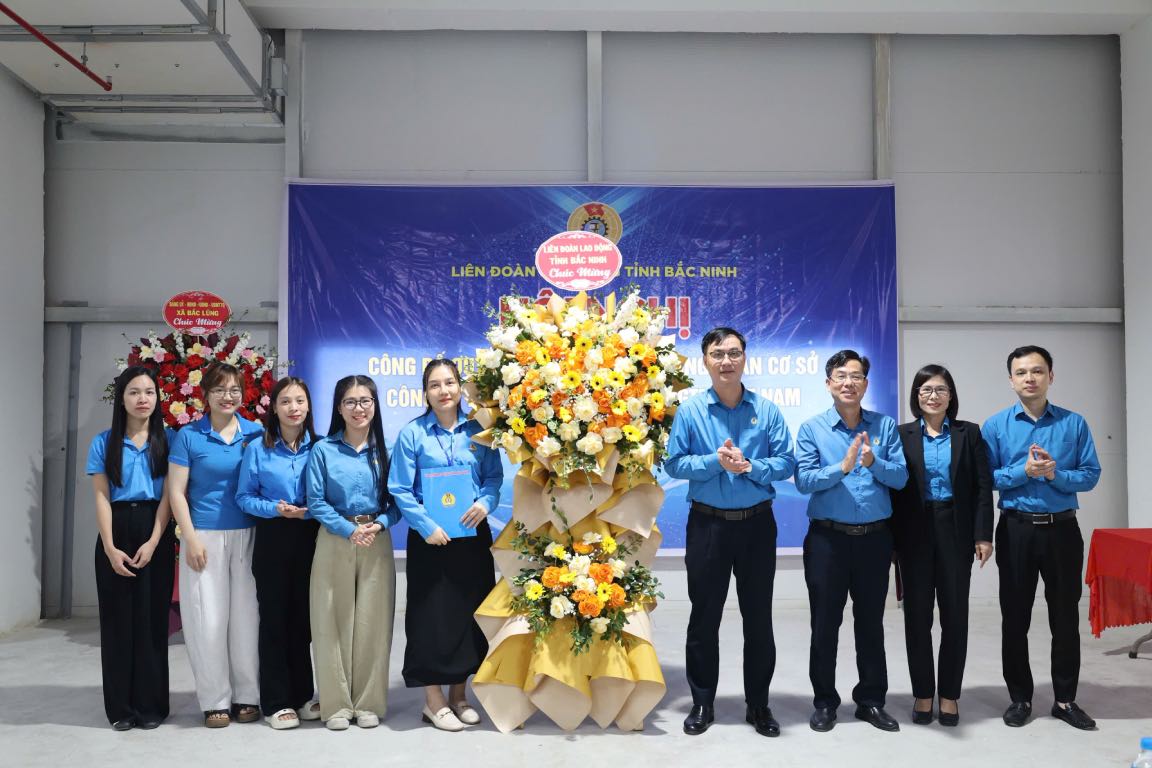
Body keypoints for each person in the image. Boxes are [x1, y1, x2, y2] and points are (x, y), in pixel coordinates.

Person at [664, 327, 797, 737]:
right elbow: (674, 464)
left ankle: (758, 705)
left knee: (759, 619)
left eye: (734, 353)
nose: (727, 361)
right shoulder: (690, 411)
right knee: (704, 618)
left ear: (745, 359)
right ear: (705, 360)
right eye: (718, 353)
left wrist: (751, 467)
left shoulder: (767, 410)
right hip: (707, 526)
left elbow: (787, 461)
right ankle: (703, 703)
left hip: (757, 525)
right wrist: (714, 463)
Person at [981, 345, 1101, 730]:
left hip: (1063, 530)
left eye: (1037, 371)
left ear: (1051, 376)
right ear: (1011, 380)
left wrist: (1055, 476)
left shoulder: (1074, 423)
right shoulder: (996, 426)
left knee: (1065, 617)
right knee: (1014, 618)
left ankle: (1065, 700)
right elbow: (986, 479)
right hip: (1016, 529)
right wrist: (1024, 472)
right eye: (1021, 372)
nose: (1029, 378)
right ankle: (1020, 698)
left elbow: (1091, 474)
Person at [795, 349, 907, 733]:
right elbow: (804, 481)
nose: (848, 382)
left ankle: (871, 701)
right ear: (828, 384)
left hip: (875, 541)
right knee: (825, 623)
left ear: (865, 384)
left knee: (871, 624)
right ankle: (825, 702)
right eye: (840, 376)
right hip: (828, 540)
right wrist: (840, 468)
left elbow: (901, 478)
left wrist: (875, 463)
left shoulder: (885, 426)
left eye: (856, 376)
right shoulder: (812, 429)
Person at [388, 358, 502, 731]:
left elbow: (492, 479)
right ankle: (432, 700)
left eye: (450, 382)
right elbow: (400, 489)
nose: (444, 391)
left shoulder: (479, 431)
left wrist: (485, 503)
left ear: (460, 387)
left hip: (471, 537)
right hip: (431, 540)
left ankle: (459, 694)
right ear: (426, 393)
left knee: (468, 615)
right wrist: (425, 524)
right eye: (435, 385)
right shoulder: (413, 434)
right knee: (430, 619)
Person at [890, 364, 993, 727]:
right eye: (925, 390)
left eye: (940, 389)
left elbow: (982, 487)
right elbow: (892, 490)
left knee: (955, 616)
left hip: (955, 529)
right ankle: (922, 694)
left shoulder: (969, 434)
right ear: (916, 396)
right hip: (914, 532)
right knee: (917, 617)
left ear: (951, 395)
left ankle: (949, 695)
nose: (932, 396)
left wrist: (983, 535)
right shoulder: (901, 434)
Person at [168, 362, 265, 728]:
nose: (228, 396)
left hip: (250, 535)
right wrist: (189, 536)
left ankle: (247, 696)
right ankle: (215, 700)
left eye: (235, 389)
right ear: (205, 394)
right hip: (203, 537)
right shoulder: (189, 436)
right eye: (220, 390)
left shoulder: (255, 433)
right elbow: (176, 491)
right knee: (207, 619)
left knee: (246, 620)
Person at [306, 375, 399, 731]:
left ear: (375, 406)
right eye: (350, 402)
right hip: (335, 538)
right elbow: (316, 501)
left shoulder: (387, 450)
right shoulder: (323, 450)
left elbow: (398, 501)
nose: (358, 408)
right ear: (338, 407)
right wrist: (348, 529)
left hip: (376, 538)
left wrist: (380, 523)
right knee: (332, 620)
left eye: (365, 401)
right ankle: (337, 705)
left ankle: (369, 702)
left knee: (373, 623)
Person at [87, 366, 177, 731]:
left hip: (156, 527)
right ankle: (121, 709)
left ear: (158, 399)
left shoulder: (169, 440)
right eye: (134, 393)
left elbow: (171, 496)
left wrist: (155, 541)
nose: (143, 399)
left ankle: (152, 706)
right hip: (117, 529)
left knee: (154, 622)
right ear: (121, 399)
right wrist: (109, 547)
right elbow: (100, 496)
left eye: (150, 393)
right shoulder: (103, 442)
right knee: (118, 622)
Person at [236, 376, 321, 730]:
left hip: (312, 536)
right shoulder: (259, 447)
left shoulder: (321, 446)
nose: (293, 408)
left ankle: (303, 695)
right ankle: (276, 701)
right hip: (273, 536)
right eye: (285, 401)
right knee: (274, 619)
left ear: (308, 406)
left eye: (299, 401)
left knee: (303, 620)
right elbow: (243, 497)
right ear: (274, 407)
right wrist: (275, 509)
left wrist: (310, 510)